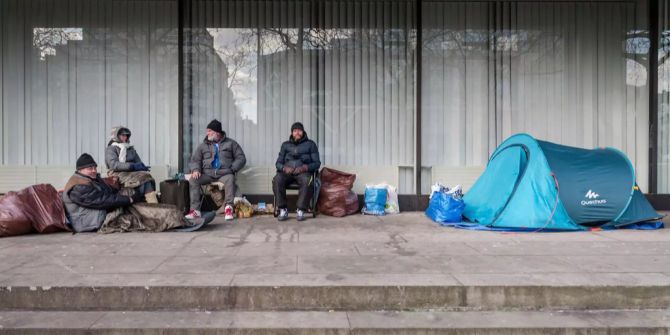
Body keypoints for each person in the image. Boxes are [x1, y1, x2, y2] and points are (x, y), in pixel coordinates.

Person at [62, 153, 143, 232]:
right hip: (87, 221)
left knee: (128, 193)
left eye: (94, 167)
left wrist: (128, 194)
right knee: (133, 220)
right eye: (90, 168)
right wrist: (129, 199)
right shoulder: (78, 186)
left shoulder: (90, 179)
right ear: (80, 170)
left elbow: (109, 192)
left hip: (98, 213)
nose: (94, 170)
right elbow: (101, 200)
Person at [186, 119, 246, 221]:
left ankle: (228, 208)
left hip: (224, 173)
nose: (207, 133)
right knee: (193, 179)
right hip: (207, 174)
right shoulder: (203, 145)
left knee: (230, 178)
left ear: (217, 133)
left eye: (209, 131)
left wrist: (232, 168)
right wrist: (196, 169)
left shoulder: (231, 143)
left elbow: (241, 158)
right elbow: (195, 160)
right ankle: (195, 211)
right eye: (207, 131)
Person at [273, 122, 321, 221]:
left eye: (299, 130)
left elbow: (317, 163)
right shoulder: (285, 145)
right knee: (277, 179)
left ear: (303, 132)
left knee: (308, 180)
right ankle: (282, 209)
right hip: (287, 173)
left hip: (303, 172)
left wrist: (305, 168)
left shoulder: (310, 144)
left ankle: (301, 210)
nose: (297, 133)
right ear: (292, 133)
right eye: (295, 131)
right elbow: (278, 163)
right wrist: (284, 168)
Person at [105, 126, 157, 203]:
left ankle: (153, 205)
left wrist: (142, 167)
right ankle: (153, 205)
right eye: (123, 135)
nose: (125, 137)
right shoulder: (111, 148)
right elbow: (113, 165)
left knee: (147, 177)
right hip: (116, 173)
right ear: (116, 136)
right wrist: (132, 166)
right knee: (145, 180)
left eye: (126, 135)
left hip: (131, 173)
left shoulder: (130, 148)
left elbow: (138, 162)